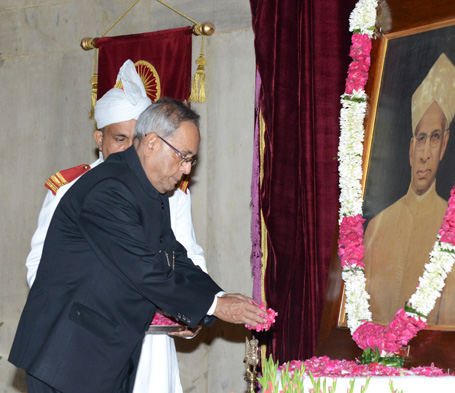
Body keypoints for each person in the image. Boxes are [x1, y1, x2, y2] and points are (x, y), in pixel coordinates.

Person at [10, 97, 265, 393]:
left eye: (190, 160)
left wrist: (216, 295)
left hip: (100, 352)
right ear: (152, 143)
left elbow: (174, 257)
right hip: (67, 355)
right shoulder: (110, 189)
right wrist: (216, 306)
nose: (186, 170)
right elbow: (146, 269)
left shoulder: (145, 187)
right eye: (183, 157)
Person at [24, 60, 204, 393]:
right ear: (99, 138)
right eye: (121, 138)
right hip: (86, 340)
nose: (130, 149)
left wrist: (191, 313)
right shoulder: (71, 187)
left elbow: (185, 255)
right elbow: (42, 269)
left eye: (137, 138)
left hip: (152, 339)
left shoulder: (170, 187)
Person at [363, 53, 455, 327]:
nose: (424, 155)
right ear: (411, 149)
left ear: (444, 145)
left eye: (434, 138)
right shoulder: (376, 227)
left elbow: (450, 327)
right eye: (421, 138)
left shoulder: (454, 230)